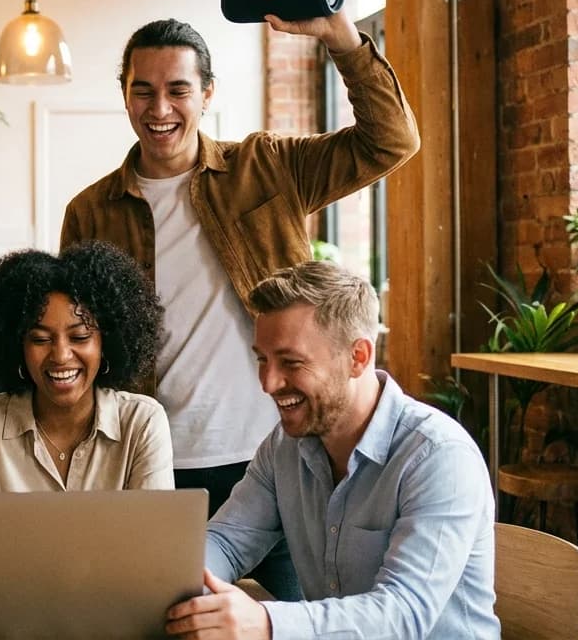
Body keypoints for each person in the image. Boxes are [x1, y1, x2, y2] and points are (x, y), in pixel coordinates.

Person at [60, 0, 419, 598]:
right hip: (153, 465)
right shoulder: (89, 211)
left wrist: (339, 35)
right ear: (124, 94)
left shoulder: (268, 166)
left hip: (279, 454)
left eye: (177, 89)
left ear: (207, 93)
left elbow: (390, 142)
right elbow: (78, 345)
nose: (160, 108)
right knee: (166, 618)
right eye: (143, 90)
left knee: (296, 617)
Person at [163, 260, 497, 639]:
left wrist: (267, 624)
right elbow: (226, 542)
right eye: (262, 359)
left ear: (358, 357)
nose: (268, 383)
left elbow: (404, 614)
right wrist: (174, 590)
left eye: (290, 362)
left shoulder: (439, 457)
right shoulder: (283, 447)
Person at [0, 241, 174, 580]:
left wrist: (20, 565)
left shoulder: (142, 422)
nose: (60, 356)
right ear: (18, 346)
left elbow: (155, 552)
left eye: (80, 337)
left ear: (107, 343)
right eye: (41, 339)